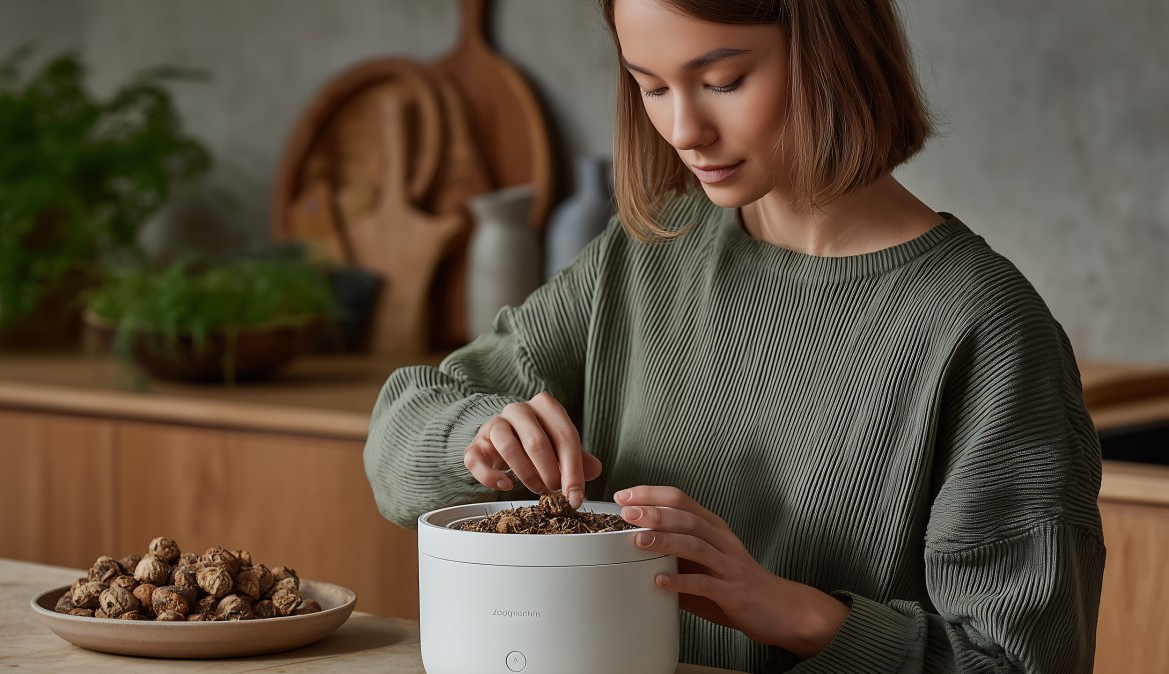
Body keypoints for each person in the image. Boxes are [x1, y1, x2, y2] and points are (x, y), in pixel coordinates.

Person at [364, 0, 1105, 671]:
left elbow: (1016, 664)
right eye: (651, 86)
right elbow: (395, 454)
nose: (684, 129)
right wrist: (484, 436)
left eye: (721, 80)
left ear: (831, 50)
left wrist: (801, 615)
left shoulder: (986, 329)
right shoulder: (647, 250)